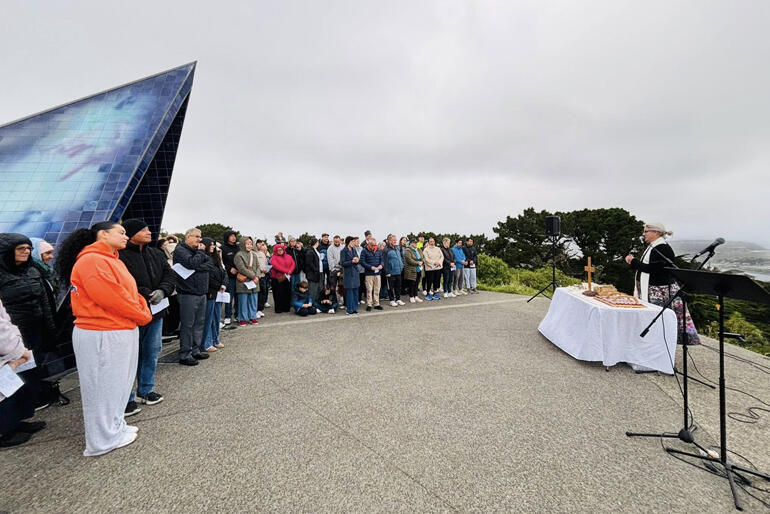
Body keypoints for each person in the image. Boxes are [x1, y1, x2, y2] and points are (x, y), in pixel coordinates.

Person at [57, 221, 152, 456]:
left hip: (119, 328)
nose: (125, 235)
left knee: (118, 385)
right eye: (121, 232)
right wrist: (142, 313)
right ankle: (101, 440)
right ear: (103, 234)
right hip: (101, 331)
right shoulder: (91, 260)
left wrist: (140, 307)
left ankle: (115, 428)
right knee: (103, 388)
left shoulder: (112, 259)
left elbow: (130, 293)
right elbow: (112, 298)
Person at [118, 219, 175, 415]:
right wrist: (146, 293)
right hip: (133, 313)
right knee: (130, 356)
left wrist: (163, 290)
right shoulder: (120, 256)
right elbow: (124, 283)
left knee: (152, 351)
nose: (149, 232)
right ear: (131, 233)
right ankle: (126, 398)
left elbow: (170, 275)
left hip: (156, 310)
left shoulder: (155, 253)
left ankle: (145, 390)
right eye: (143, 230)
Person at [0, 233, 56, 413]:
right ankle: (9, 426)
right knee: (10, 378)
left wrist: (49, 329)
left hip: (34, 330)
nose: (26, 252)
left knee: (30, 373)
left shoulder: (32, 270)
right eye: (20, 248)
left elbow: (44, 302)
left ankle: (23, 415)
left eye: (28, 248)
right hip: (10, 336)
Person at [625, 222, 700, 345]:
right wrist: (633, 263)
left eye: (646, 231)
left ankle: (660, 344)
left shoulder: (662, 248)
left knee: (659, 320)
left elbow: (653, 269)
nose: (643, 234)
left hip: (659, 291)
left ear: (656, 233)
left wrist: (633, 261)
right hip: (650, 289)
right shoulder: (653, 246)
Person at [0, 299, 45, 448]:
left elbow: (5, 321)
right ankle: (5, 431)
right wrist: (18, 350)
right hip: (6, 348)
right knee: (4, 391)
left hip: (9, 346)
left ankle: (14, 423)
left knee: (12, 388)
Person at [173, 228, 211, 366]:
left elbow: (209, 264)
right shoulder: (181, 250)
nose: (199, 239)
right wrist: (200, 254)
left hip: (201, 292)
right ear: (187, 237)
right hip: (188, 293)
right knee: (188, 325)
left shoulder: (197, 251)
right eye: (196, 236)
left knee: (199, 323)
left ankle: (195, 350)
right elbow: (191, 263)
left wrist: (197, 264)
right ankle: (185, 353)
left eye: (200, 237)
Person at [201, 237, 228, 348]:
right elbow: (208, 276)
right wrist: (218, 285)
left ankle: (216, 339)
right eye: (211, 244)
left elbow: (224, 272)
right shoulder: (204, 258)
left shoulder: (216, 258)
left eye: (214, 244)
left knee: (216, 317)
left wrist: (224, 284)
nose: (213, 246)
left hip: (219, 292)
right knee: (208, 318)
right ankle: (207, 342)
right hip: (210, 292)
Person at [234, 236, 260, 325]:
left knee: (253, 300)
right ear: (242, 244)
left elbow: (257, 267)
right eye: (247, 244)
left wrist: (256, 276)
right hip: (243, 281)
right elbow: (241, 269)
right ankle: (242, 318)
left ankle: (253, 316)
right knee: (243, 301)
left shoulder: (254, 254)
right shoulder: (239, 255)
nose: (249, 245)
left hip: (254, 281)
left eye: (250, 244)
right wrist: (253, 276)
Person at [160, 236, 181, 336]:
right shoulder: (167, 263)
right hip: (171, 292)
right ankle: (169, 329)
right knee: (171, 311)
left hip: (179, 290)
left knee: (177, 311)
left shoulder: (180, 261)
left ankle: (174, 327)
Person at [29, 237, 60, 303]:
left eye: (51, 253)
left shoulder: (46, 270)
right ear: (36, 254)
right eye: (48, 253)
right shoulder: (30, 273)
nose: (52, 257)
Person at [269, 244, 295, 313]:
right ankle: (279, 308)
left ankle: (286, 307)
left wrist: (290, 271)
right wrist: (286, 271)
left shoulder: (288, 256)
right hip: (277, 278)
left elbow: (293, 264)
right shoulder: (274, 257)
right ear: (276, 251)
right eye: (278, 250)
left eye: (281, 249)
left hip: (287, 277)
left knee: (287, 293)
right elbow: (275, 266)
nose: (280, 251)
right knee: (278, 294)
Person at [221, 230, 240, 325]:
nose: (233, 237)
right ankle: (228, 316)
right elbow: (222, 262)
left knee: (238, 296)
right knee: (229, 296)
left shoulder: (238, 247)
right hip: (229, 276)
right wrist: (229, 268)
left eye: (234, 236)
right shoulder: (223, 248)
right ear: (227, 237)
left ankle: (237, 315)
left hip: (240, 276)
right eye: (231, 236)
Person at [360, 237, 384, 311]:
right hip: (369, 274)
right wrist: (370, 267)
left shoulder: (378, 251)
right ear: (369, 244)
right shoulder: (364, 251)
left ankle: (376, 303)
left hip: (377, 273)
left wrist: (381, 265)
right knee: (369, 290)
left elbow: (382, 260)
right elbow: (362, 262)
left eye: (375, 245)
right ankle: (369, 304)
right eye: (372, 245)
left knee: (377, 289)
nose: (374, 246)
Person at [340, 236, 361, 314]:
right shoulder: (343, 251)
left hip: (355, 273)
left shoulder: (354, 250)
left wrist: (357, 260)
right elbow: (342, 263)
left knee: (356, 291)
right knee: (349, 292)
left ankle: (355, 308)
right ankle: (349, 309)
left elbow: (358, 260)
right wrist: (352, 261)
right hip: (348, 274)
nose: (353, 243)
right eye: (352, 242)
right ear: (348, 242)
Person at [384, 235, 405, 307]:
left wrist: (401, 265)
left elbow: (400, 258)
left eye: (395, 240)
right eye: (393, 240)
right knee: (390, 287)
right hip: (391, 272)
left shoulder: (397, 248)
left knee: (398, 286)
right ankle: (392, 300)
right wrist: (387, 272)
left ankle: (398, 299)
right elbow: (384, 262)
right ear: (389, 241)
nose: (395, 241)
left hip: (398, 270)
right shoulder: (386, 249)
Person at [327, 235, 344, 307]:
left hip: (342, 269)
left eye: (338, 241)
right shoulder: (330, 248)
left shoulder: (343, 247)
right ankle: (334, 302)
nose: (337, 242)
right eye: (335, 241)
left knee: (342, 286)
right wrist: (334, 270)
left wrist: (342, 269)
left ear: (340, 241)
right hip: (334, 270)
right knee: (333, 286)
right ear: (333, 241)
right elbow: (330, 260)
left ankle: (342, 301)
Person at [304, 237, 323, 303]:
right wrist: (315, 270)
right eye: (317, 242)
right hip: (313, 274)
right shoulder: (310, 251)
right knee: (313, 290)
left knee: (318, 289)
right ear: (315, 243)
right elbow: (309, 263)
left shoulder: (315, 250)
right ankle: (311, 303)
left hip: (318, 272)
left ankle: (315, 303)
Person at [255, 240, 270, 318]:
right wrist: (260, 270)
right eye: (259, 243)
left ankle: (260, 309)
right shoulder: (252, 253)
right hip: (257, 276)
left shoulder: (262, 254)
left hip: (263, 276)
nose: (260, 245)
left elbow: (265, 264)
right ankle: (255, 310)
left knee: (263, 293)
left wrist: (267, 269)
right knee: (257, 294)